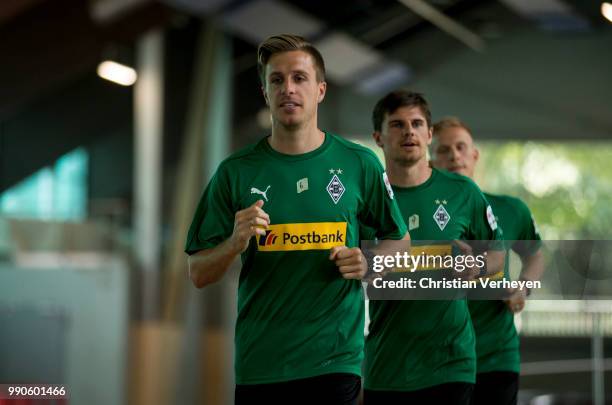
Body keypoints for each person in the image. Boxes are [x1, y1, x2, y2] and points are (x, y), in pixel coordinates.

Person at [184, 34, 409, 405]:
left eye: (299, 78)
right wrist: (234, 244)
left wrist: (369, 262)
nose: (288, 88)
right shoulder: (235, 172)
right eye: (277, 80)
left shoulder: (359, 164)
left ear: (320, 90)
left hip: (335, 363)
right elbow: (198, 272)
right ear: (265, 91)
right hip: (262, 365)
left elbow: (399, 241)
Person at [362, 90, 505, 404]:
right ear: (378, 137)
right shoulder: (365, 197)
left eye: (416, 123)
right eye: (397, 125)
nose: (409, 131)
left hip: (450, 365)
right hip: (386, 368)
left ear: (429, 134)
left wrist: (478, 267)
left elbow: (497, 252)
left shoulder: (462, 191)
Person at [432, 117, 544, 405]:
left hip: (495, 355)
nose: (454, 156)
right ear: (430, 160)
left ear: (474, 154)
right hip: (438, 357)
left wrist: (523, 288)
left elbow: (535, 255)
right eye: (444, 150)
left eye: (461, 147)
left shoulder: (511, 209)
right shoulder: (418, 210)